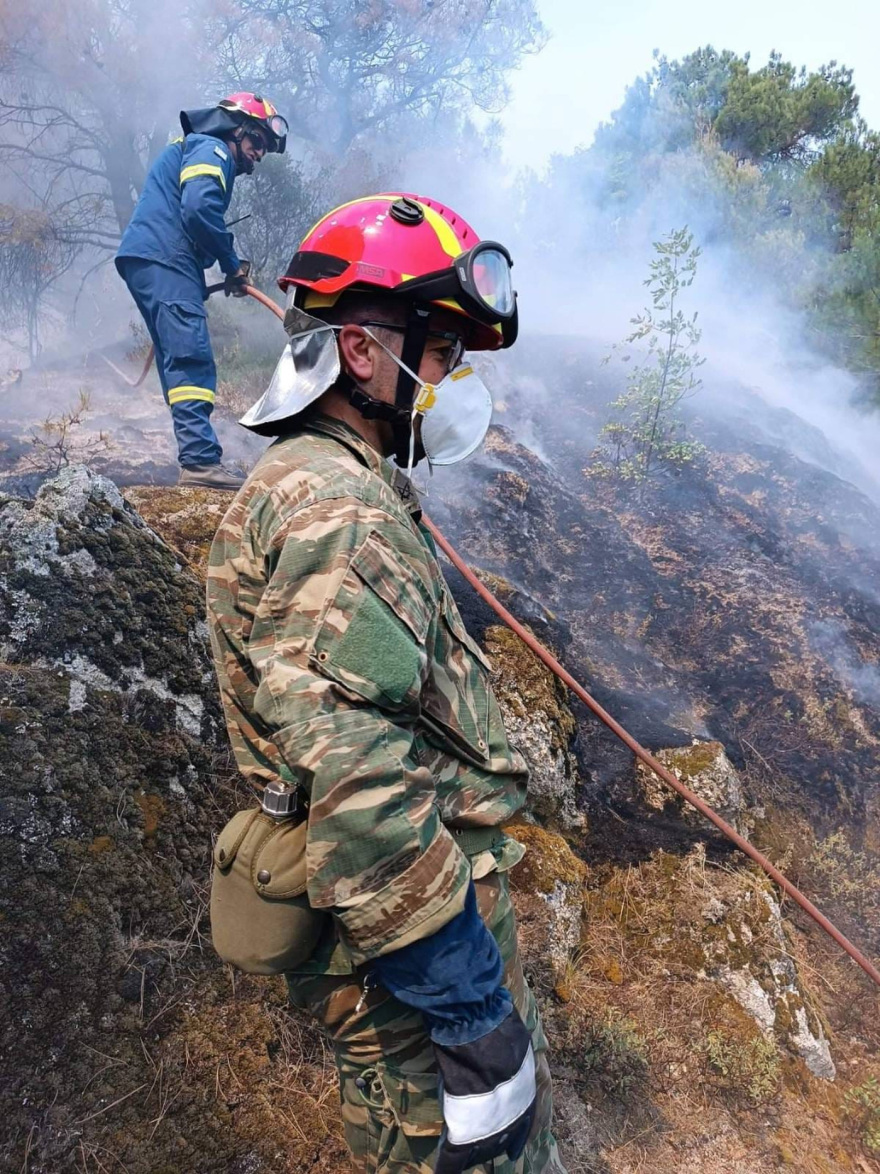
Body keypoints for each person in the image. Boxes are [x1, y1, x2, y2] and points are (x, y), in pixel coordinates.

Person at [206, 193, 567, 1173]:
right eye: (440, 353)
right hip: (406, 961)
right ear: (363, 352)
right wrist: (465, 1000)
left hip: (390, 933)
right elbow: (353, 767)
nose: (446, 381)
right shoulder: (341, 515)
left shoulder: (319, 481)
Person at [115, 93, 288, 489]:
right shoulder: (212, 147)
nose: (259, 154)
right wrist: (230, 262)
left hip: (156, 260)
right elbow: (198, 209)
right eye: (257, 142)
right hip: (165, 259)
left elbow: (191, 214)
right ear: (236, 128)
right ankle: (200, 464)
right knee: (192, 358)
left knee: (180, 357)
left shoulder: (195, 149)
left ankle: (197, 457)